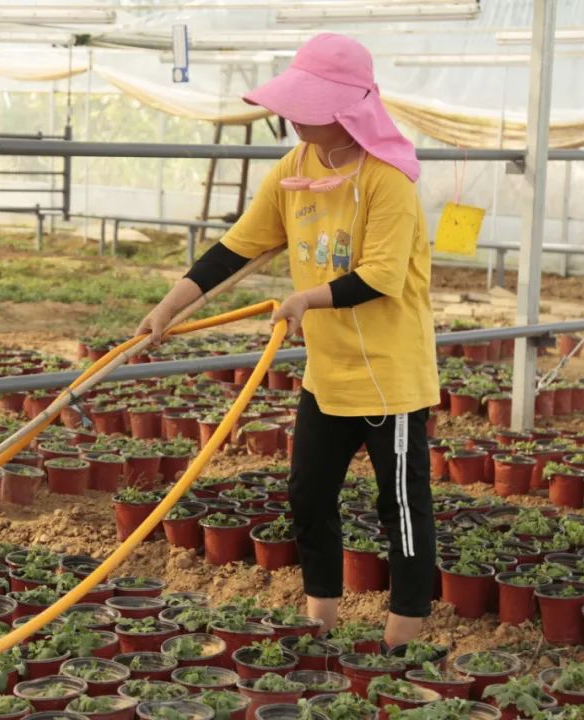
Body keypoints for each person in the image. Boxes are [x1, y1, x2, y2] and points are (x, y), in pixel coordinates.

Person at [135, 33, 440, 646]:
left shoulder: (388, 181)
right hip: (329, 373)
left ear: (346, 109)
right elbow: (237, 247)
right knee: (307, 494)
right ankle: (319, 614)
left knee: (400, 505)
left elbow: (380, 275)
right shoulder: (294, 168)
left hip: (390, 376)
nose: (294, 117)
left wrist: (306, 298)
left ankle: (405, 630)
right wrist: (168, 308)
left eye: (309, 106)